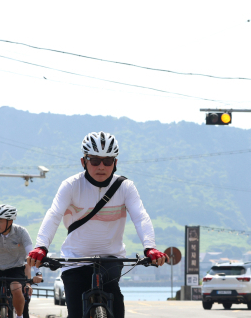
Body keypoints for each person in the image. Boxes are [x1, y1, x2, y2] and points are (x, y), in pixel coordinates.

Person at [27, 131, 168, 318]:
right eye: (94, 160)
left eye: (107, 161)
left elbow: (140, 217)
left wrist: (150, 248)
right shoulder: (71, 185)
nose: (101, 166)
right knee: (76, 314)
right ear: (83, 161)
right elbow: (53, 215)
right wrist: (41, 247)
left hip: (111, 259)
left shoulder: (126, 187)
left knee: (117, 310)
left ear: (115, 163)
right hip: (74, 260)